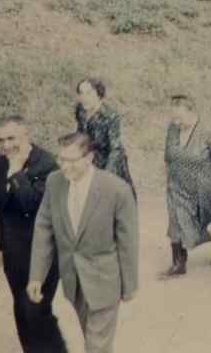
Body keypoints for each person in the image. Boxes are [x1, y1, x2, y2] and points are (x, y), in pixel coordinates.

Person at [28, 132, 139, 353]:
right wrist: (36, 275)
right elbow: (44, 228)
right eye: (61, 159)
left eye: (71, 160)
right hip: (74, 282)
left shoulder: (117, 189)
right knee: (94, 342)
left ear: (89, 158)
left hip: (104, 283)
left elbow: (128, 242)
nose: (64, 166)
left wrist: (130, 285)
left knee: (96, 346)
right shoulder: (54, 182)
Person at [0, 116, 67, 353]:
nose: (6, 146)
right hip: (13, 253)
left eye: (11, 138)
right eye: (1, 140)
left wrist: (16, 173)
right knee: (22, 311)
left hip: (42, 253)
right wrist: (1, 246)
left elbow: (33, 204)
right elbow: (0, 209)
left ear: (26, 135)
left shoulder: (47, 164)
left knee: (36, 311)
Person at [162, 95, 211, 279]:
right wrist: (167, 179)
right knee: (176, 220)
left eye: (180, 118)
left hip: (205, 189)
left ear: (192, 112)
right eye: (174, 117)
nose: (176, 122)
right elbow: (168, 156)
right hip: (177, 187)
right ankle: (178, 263)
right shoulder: (173, 128)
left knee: (210, 222)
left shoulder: (208, 132)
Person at [75, 77, 136, 199]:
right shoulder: (80, 110)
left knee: (113, 199)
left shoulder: (110, 115)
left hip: (110, 162)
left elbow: (116, 149)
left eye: (89, 93)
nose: (84, 98)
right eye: (81, 93)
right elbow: (80, 134)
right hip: (89, 161)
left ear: (99, 94)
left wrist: (106, 174)